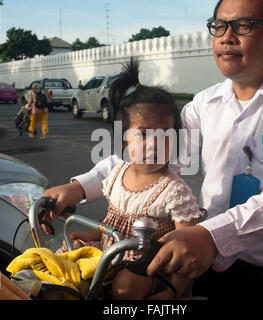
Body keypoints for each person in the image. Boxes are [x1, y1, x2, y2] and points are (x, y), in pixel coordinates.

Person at [43, 0, 263, 300]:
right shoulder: (204, 104)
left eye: (243, 26)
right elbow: (147, 156)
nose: (226, 37)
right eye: (219, 26)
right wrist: (81, 186)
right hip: (209, 262)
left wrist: (213, 235)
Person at [54, 60, 204, 300]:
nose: (154, 143)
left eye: (165, 135)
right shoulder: (115, 176)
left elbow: (188, 249)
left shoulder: (175, 191)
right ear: (124, 141)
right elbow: (115, 227)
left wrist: (172, 292)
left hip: (149, 268)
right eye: (143, 134)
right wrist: (92, 235)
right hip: (111, 254)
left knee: (125, 286)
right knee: (61, 263)